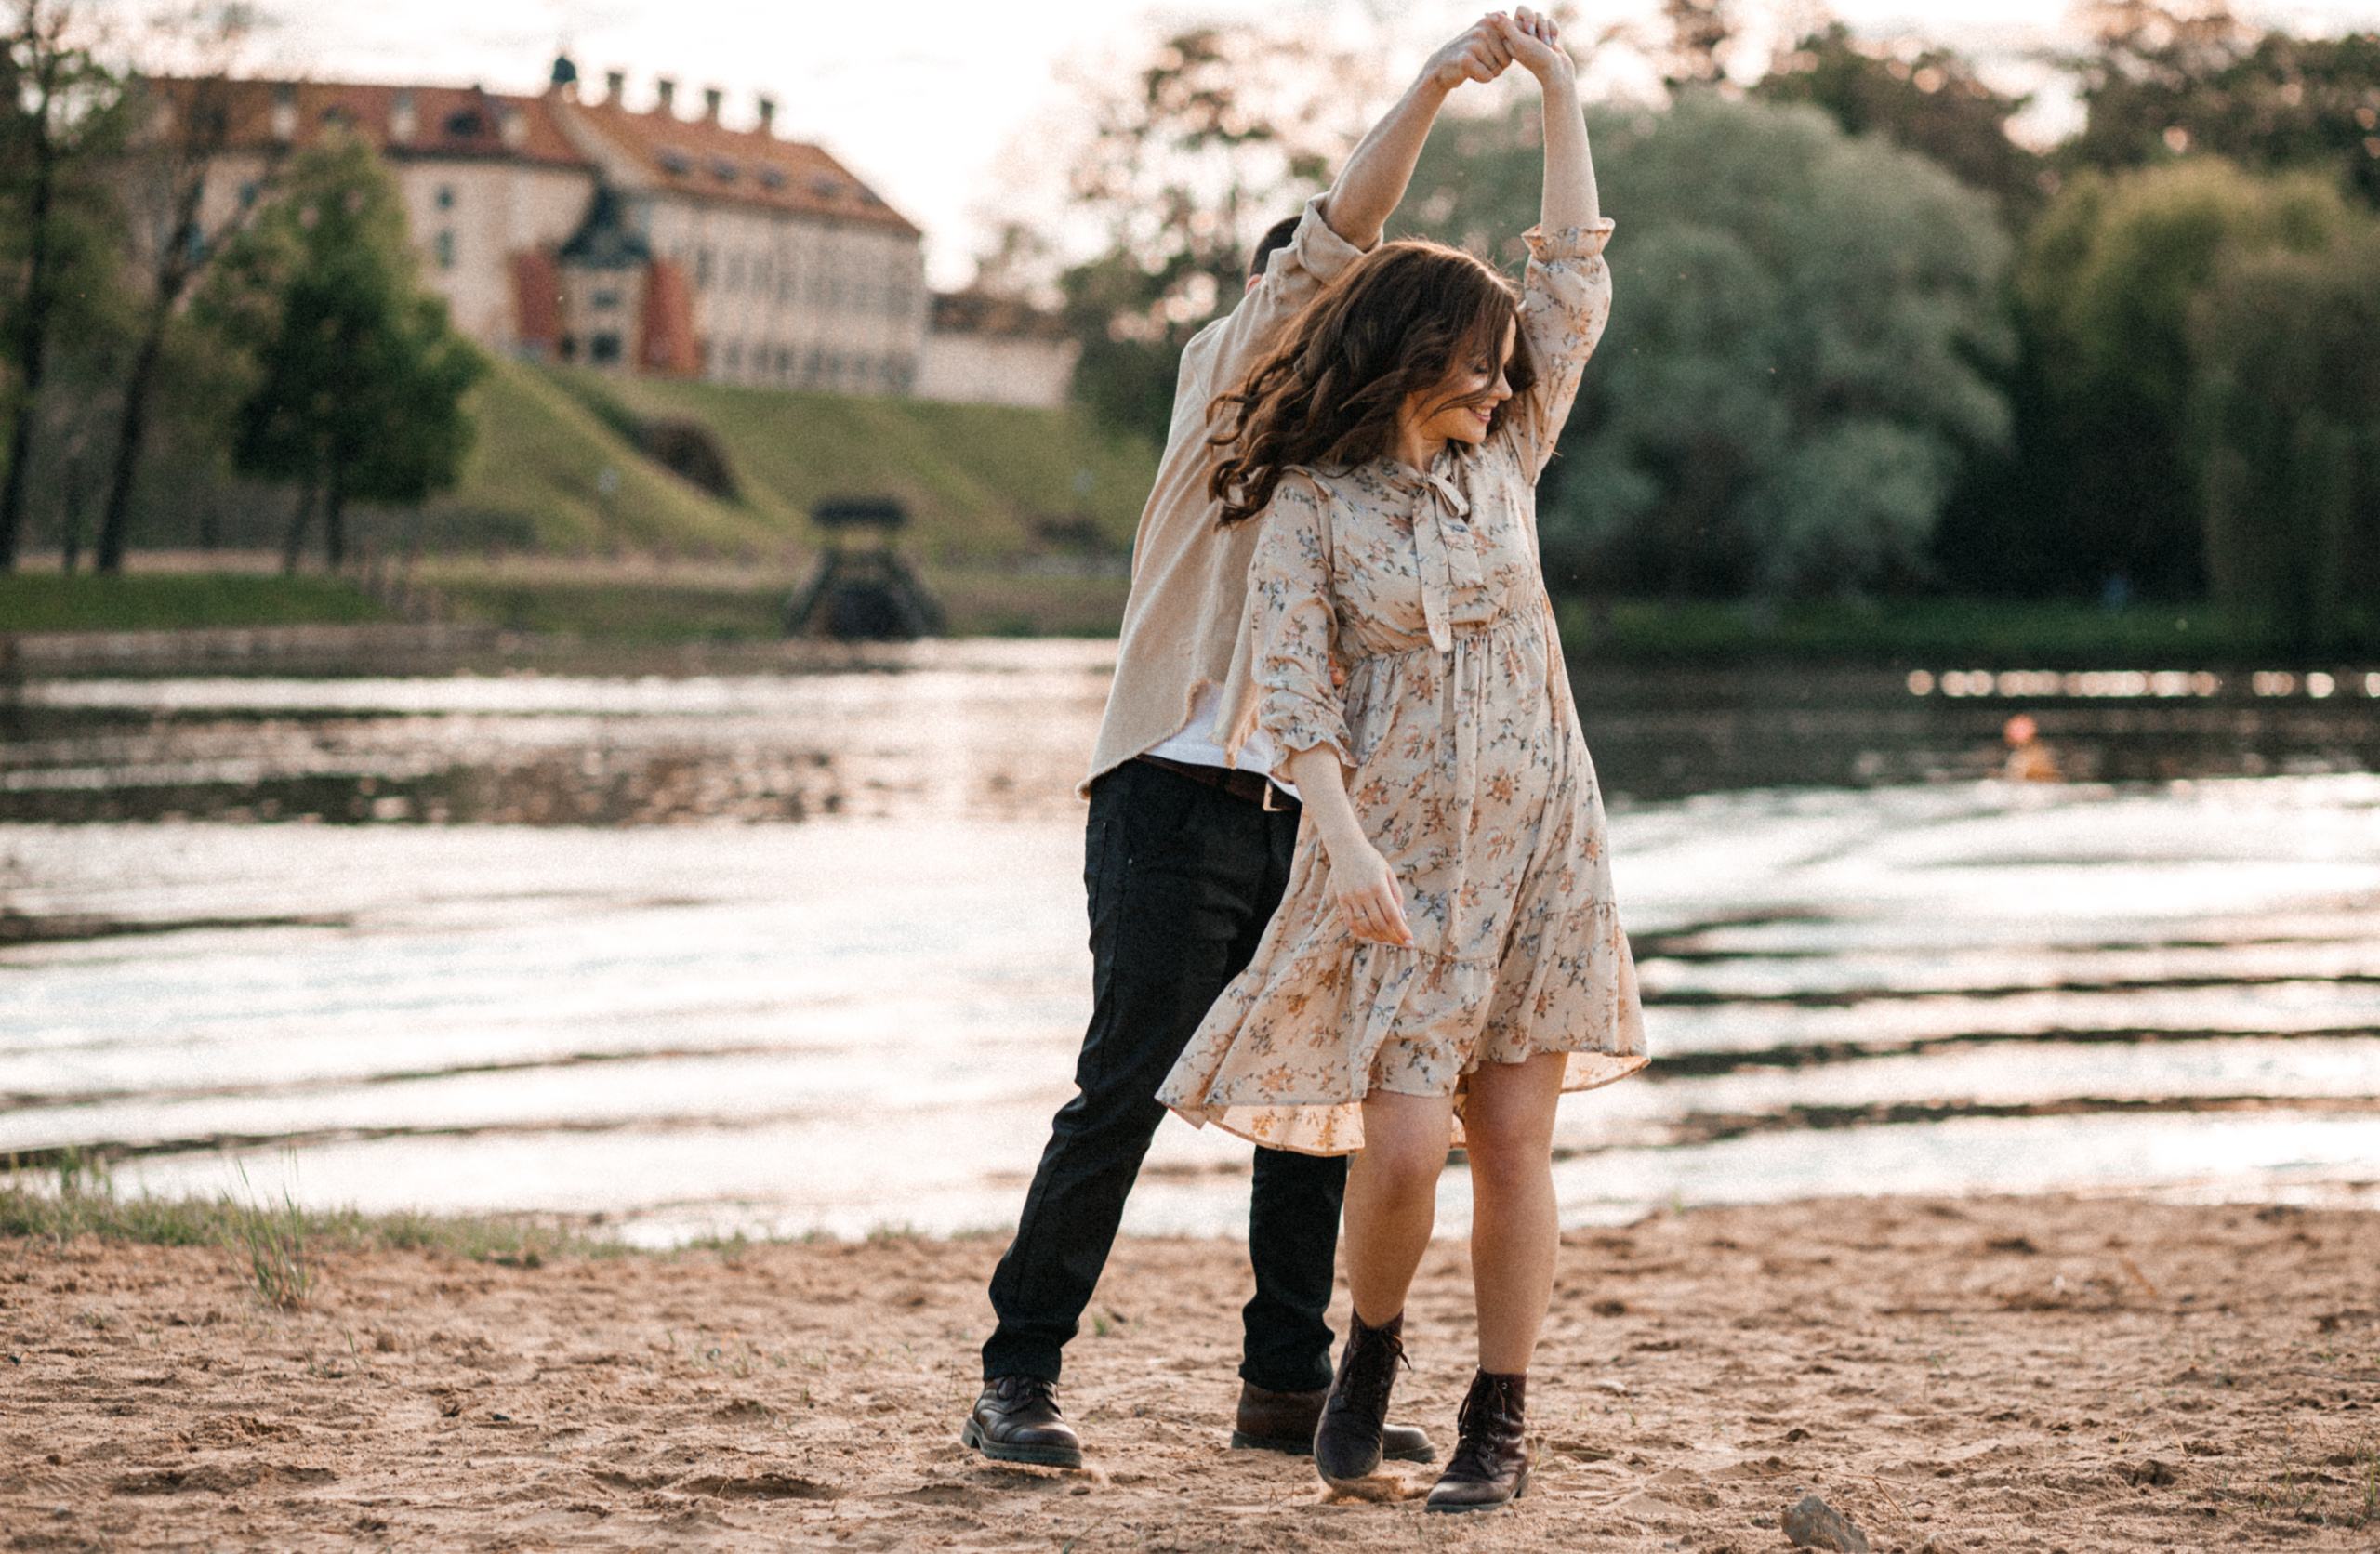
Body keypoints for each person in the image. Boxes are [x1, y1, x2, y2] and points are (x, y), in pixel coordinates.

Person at [964, 15, 1530, 1473]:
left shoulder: (1365, 481)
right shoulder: (1225, 405)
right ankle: (1016, 1377)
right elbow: (1347, 229)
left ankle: (1286, 1390)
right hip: (1170, 794)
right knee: (1127, 1080)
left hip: (1309, 816)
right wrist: (1432, 85)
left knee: (1313, 1108)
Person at [1156, 9, 1647, 1513]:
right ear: (1411, 358)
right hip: (1402, 867)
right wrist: (1347, 845)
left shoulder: (1510, 458)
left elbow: (1572, 274)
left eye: (1510, 374)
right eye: (1479, 370)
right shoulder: (1309, 503)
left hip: (1546, 844)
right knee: (1404, 1153)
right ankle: (1367, 1355)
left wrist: (1560, 84)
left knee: (1513, 1146)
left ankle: (1500, 1417)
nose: (1503, 391)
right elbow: (1293, 695)